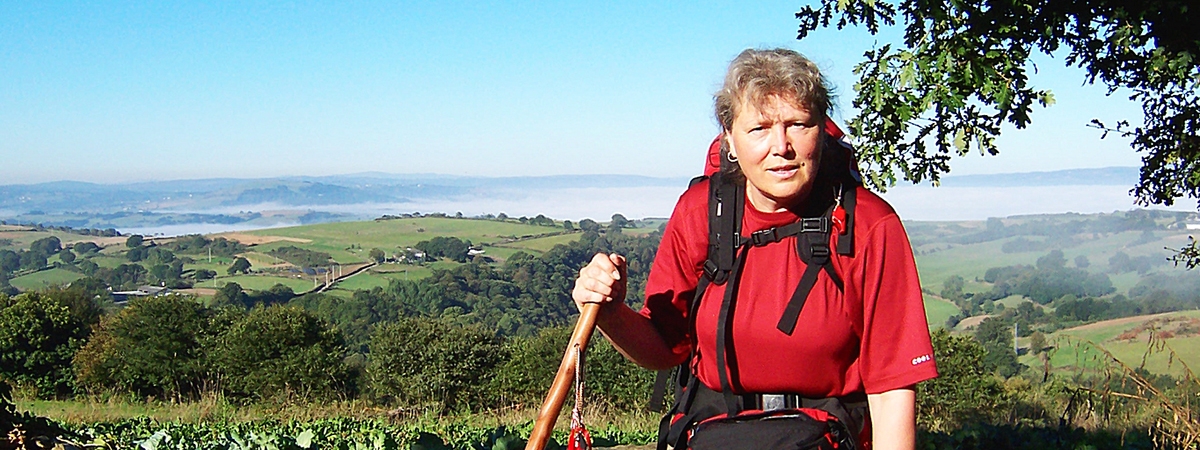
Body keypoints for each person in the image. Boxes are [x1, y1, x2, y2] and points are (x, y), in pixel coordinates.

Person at [572, 48, 938, 450]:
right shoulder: (701, 212)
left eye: (798, 124)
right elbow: (665, 347)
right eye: (759, 129)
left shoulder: (867, 225)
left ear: (822, 127)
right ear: (729, 137)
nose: (781, 147)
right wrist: (610, 313)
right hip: (711, 433)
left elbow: (892, 386)